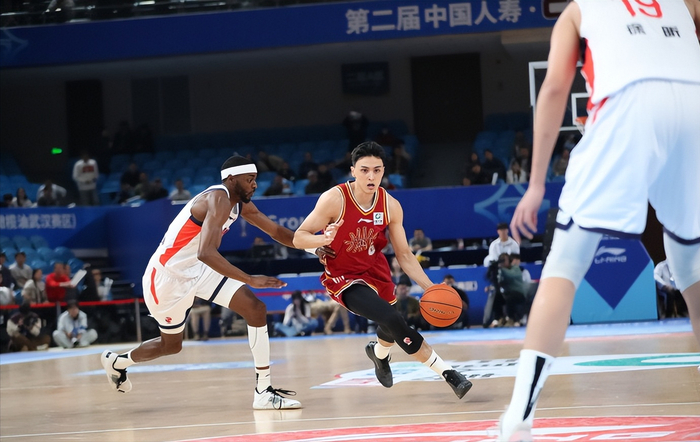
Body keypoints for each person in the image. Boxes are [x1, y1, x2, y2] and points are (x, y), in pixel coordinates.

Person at [500, 2, 700, 440]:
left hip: (624, 103)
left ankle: (518, 417)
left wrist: (536, 184)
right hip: (694, 105)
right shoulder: (685, 4)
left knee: (565, 264)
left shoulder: (578, 11)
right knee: (692, 269)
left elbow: (555, 88)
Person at [100, 155, 303, 410]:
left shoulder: (239, 204)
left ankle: (263, 391)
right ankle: (118, 362)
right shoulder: (217, 198)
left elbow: (276, 231)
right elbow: (206, 252)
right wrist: (250, 279)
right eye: (250, 179)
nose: (254, 185)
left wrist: (313, 248)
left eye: (255, 179)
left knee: (255, 308)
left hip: (199, 270)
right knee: (171, 346)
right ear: (231, 179)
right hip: (168, 277)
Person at [293, 141, 472, 399]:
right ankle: (449, 374)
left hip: (375, 270)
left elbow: (404, 255)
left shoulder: (390, 205)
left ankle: (378, 354)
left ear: (384, 171)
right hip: (344, 277)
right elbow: (299, 237)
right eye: (364, 170)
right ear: (353, 171)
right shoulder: (334, 199)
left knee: (389, 324)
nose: (371, 176)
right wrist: (322, 240)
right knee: (392, 319)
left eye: (377, 170)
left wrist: (429, 287)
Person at [496, 253, 527, 327]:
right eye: (501, 260)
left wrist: (501, 269)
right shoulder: (501, 271)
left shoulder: (515, 268)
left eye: (504, 260)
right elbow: (499, 282)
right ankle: (499, 318)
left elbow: (511, 276)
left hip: (518, 293)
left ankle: (512, 319)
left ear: (509, 260)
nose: (503, 262)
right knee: (497, 297)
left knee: (510, 298)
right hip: (507, 293)